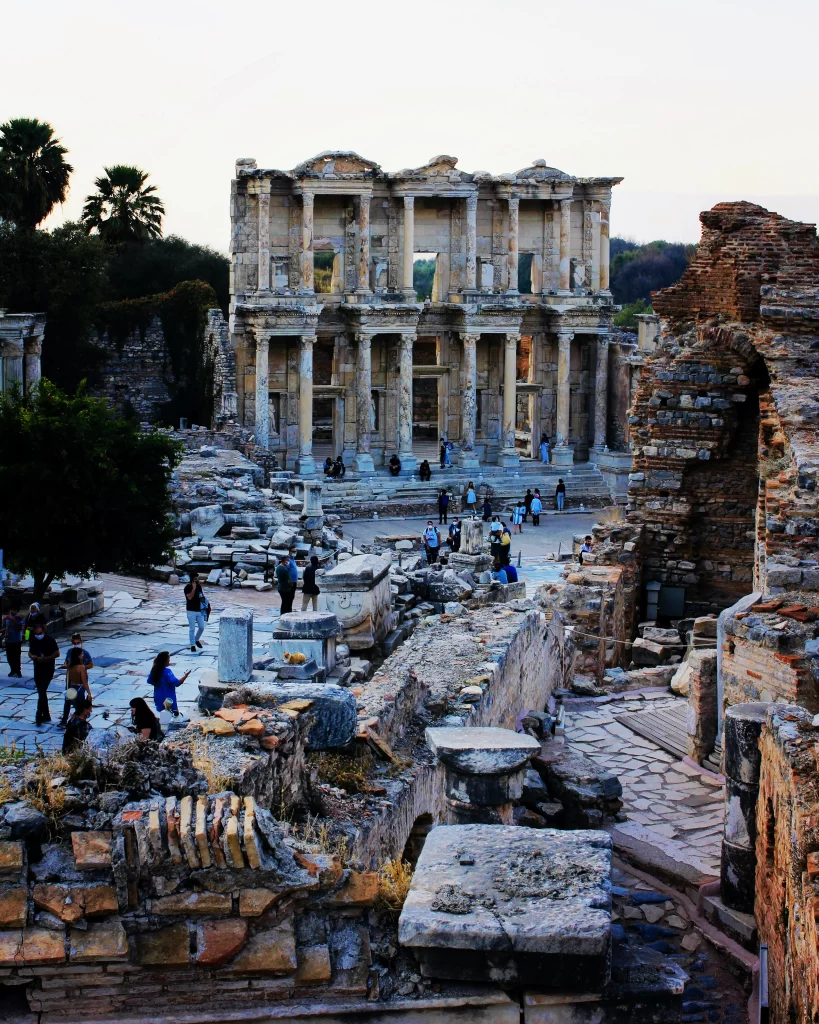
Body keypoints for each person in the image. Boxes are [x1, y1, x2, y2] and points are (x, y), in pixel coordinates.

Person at [28, 624, 59, 725]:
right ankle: (46, 715)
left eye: (40, 633)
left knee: (42, 690)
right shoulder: (33, 640)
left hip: (48, 669)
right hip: (37, 669)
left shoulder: (50, 640)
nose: (38, 635)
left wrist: (46, 659)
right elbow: (30, 652)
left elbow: (57, 653)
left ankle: (38, 716)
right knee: (41, 692)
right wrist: (33, 657)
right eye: (36, 633)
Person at [61, 647, 92, 728]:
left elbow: (68, 680)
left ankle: (69, 721)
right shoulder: (81, 667)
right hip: (79, 689)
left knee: (75, 708)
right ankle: (79, 725)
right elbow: (84, 682)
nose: (82, 655)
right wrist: (89, 693)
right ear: (78, 656)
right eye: (81, 654)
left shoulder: (70, 666)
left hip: (71, 689)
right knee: (80, 710)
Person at [183, 573, 210, 653]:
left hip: (199, 610)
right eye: (195, 579)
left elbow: (201, 596)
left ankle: (196, 639)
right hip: (191, 610)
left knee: (201, 627)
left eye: (197, 579)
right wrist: (193, 589)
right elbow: (189, 597)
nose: (197, 580)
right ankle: (192, 645)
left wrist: (205, 604)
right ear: (192, 579)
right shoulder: (187, 587)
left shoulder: (199, 586)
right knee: (192, 628)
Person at [2, 605, 25, 678]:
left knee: (17, 656)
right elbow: (4, 627)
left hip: (16, 640)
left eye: (14, 610)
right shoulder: (6, 618)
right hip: (9, 640)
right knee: (9, 656)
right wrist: (4, 635)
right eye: (11, 610)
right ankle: (12, 670)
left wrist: (14, 621)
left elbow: (20, 628)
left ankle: (18, 670)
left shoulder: (19, 618)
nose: (12, 612)